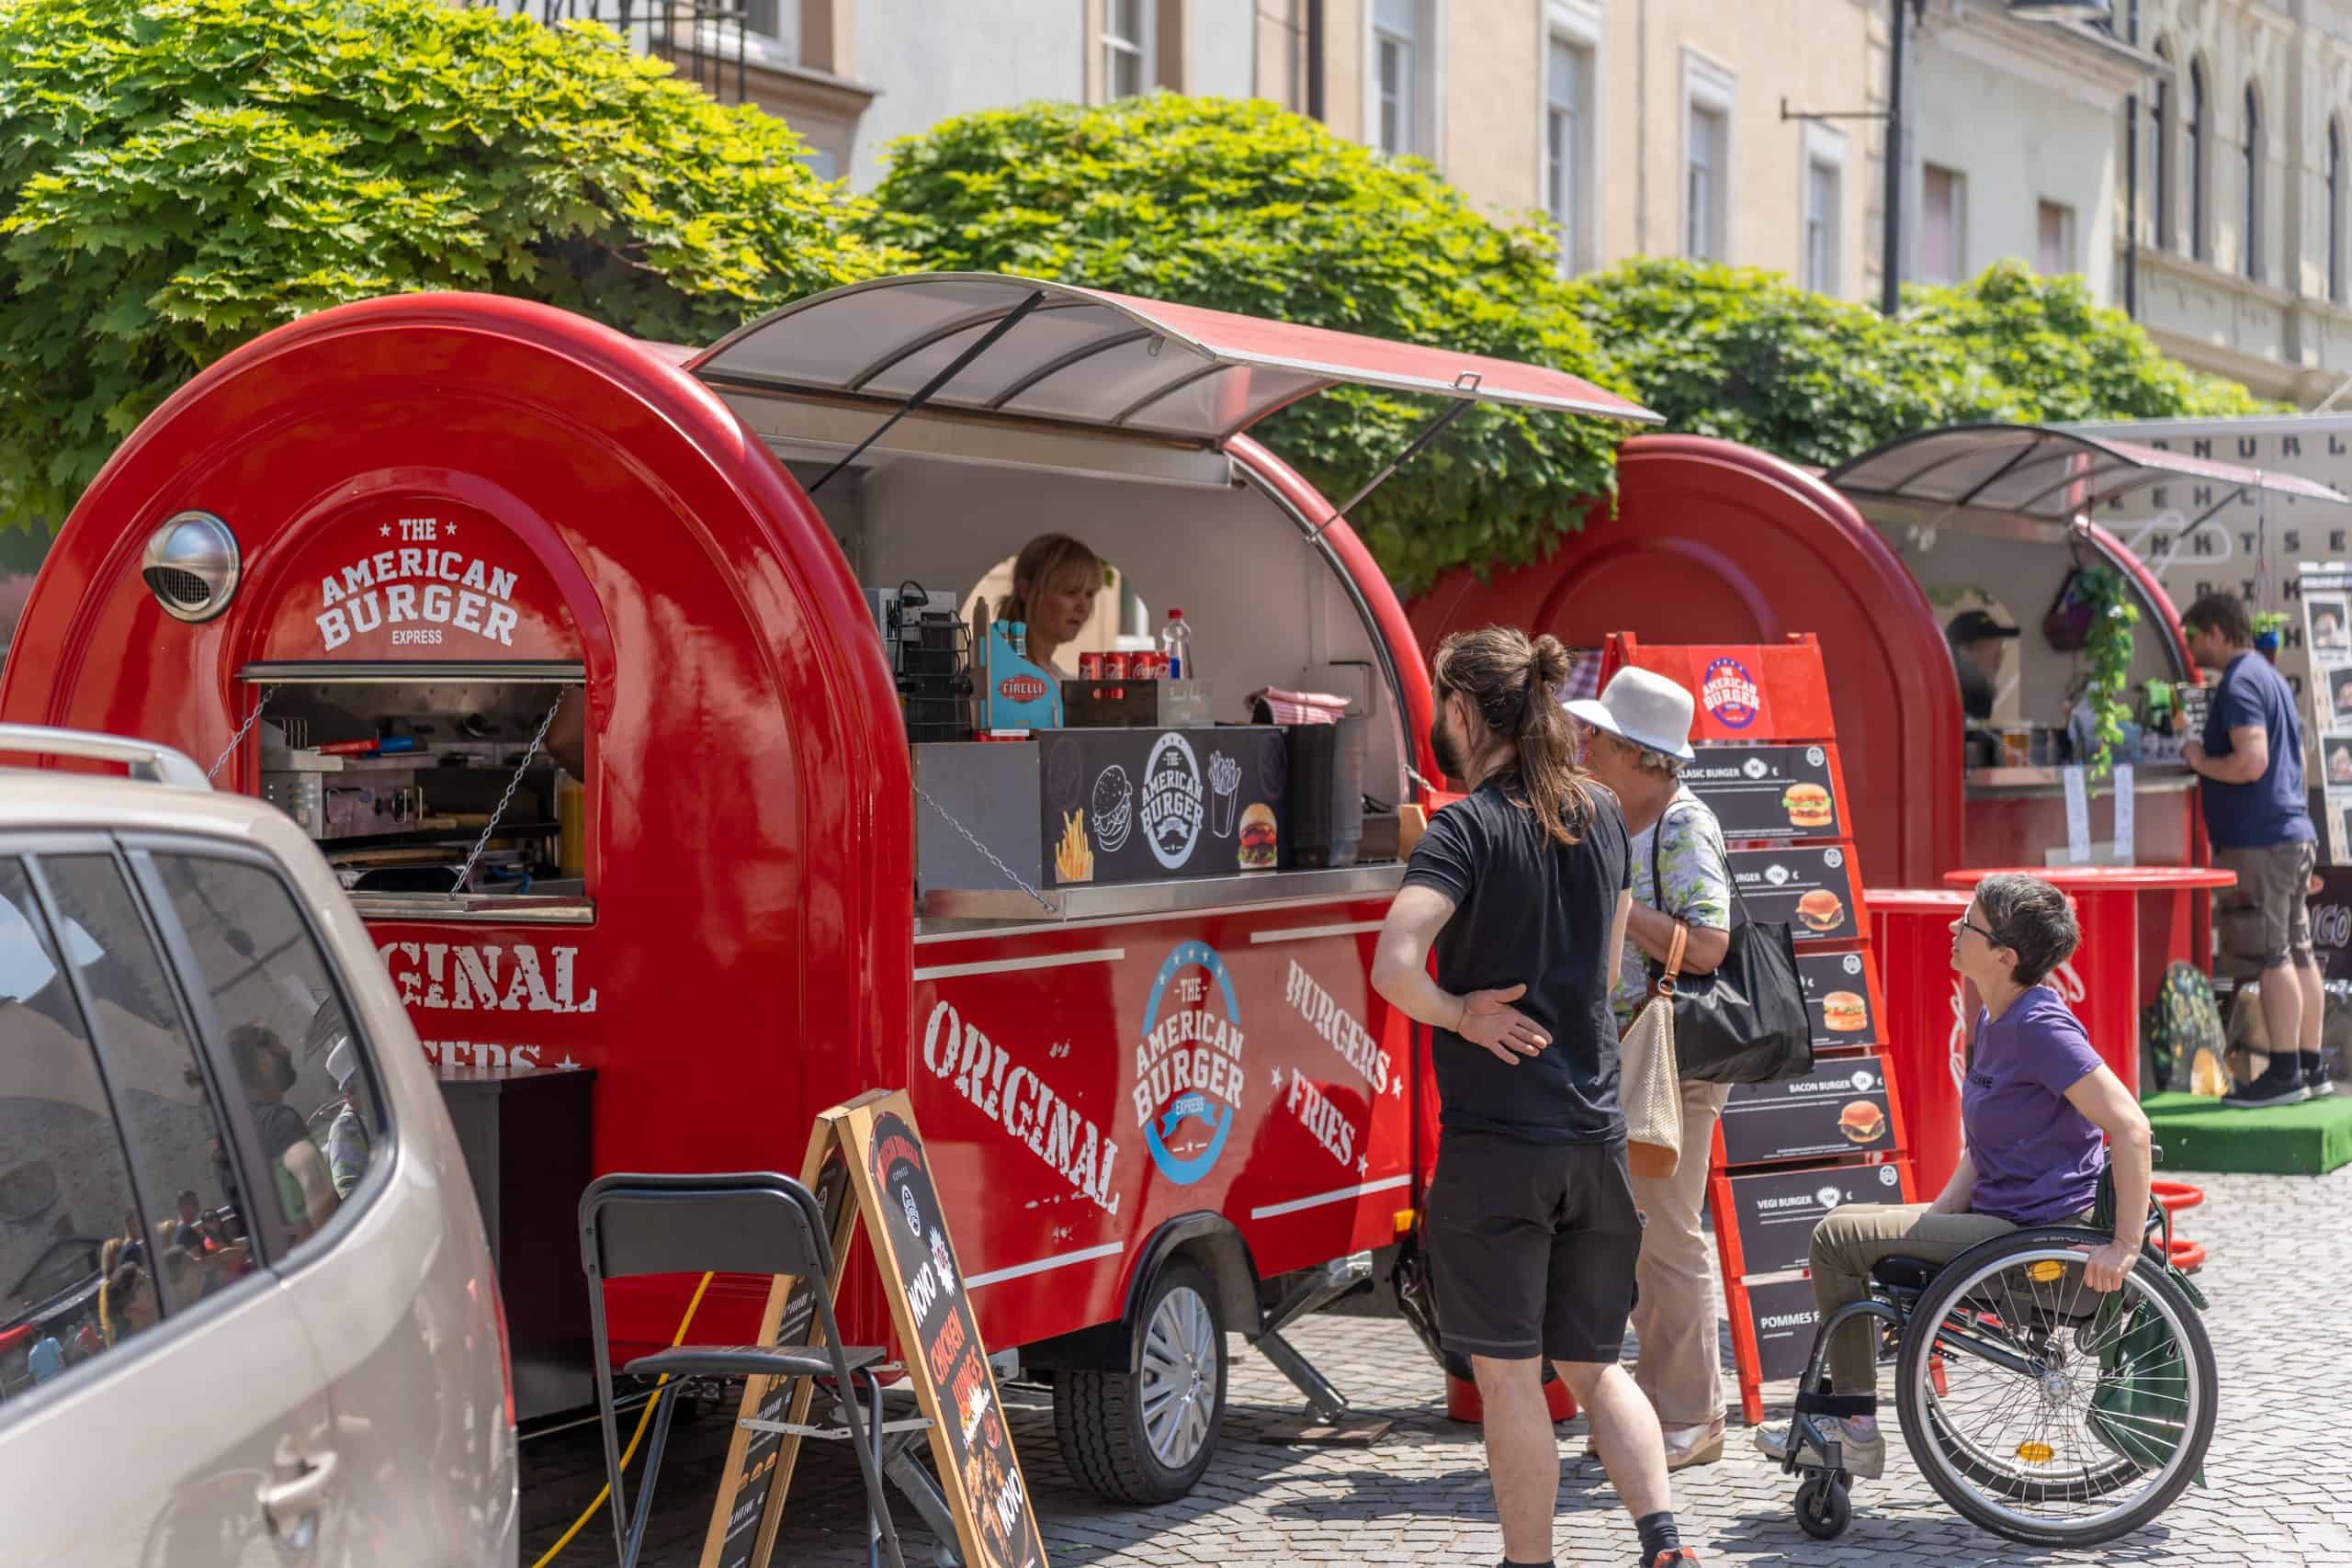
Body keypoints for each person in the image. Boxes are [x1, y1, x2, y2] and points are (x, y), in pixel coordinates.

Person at [1372, 627, 1700, 1568]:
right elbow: (1603, 976)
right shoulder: (1602, 815)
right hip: (1592, 1137)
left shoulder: (1462, 827)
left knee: (1511, 1379)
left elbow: (1395, 963)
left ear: (1467, 712)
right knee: (1597, 1368)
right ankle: (1663, 1541)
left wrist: (1459, 1012)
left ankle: (1531, 1563)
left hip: (1496, 1146)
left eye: (1443, 700)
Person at [1755, 873, 2153, 1479]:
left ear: (2004, 955)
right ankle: (1851, 1417)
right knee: (1850, 1236)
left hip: (2038, 1242)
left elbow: (2131, 1126)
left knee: (1835, 1238)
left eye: (1968, 923)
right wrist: (1932, 1224)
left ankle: (1855, 1425)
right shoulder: (1997, 1018)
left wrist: (2123, 1246)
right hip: (2004, 1221)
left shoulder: (2040, 1026)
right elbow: (1982, 1151)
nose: (1953, 928)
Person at [1566, 668, 1732, 1472]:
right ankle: (1662, 1397)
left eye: (1596, 734)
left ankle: (1692, 1412)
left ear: (1636, 752)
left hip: (1671, 1055)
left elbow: (1709, 944)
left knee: (1667, 1230)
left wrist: (1621, 909)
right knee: (1648, 1231)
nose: (1582, 742)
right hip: (1634, 1049)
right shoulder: (1628, 814)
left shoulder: (1680, 823)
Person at [2179, 591, 2329, 1105]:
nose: (2193, 647)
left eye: (2195, 636)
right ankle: (2311, 1067)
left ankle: (2284, 1072)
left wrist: (2199, 760)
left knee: (2272, 954)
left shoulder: (2240, 681)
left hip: (2260, 842)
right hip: (2290, 831)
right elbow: (2298, 761)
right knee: (2297, 949)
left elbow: (2253, 762)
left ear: (2217, 631)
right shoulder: (2270, 677)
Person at [995, 533, 1103, 677]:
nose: (1083, 608)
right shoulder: (996, 671)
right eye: (1070, 592)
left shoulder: (1059, 678)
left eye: (1089, 594)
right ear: (1026, 591)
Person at [1945, 609, 2018, 725]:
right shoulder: (1946, 704)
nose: (2000, 657)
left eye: (2001, 647)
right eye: (1994, 650)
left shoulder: (1980, 697)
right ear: (1965, 651)